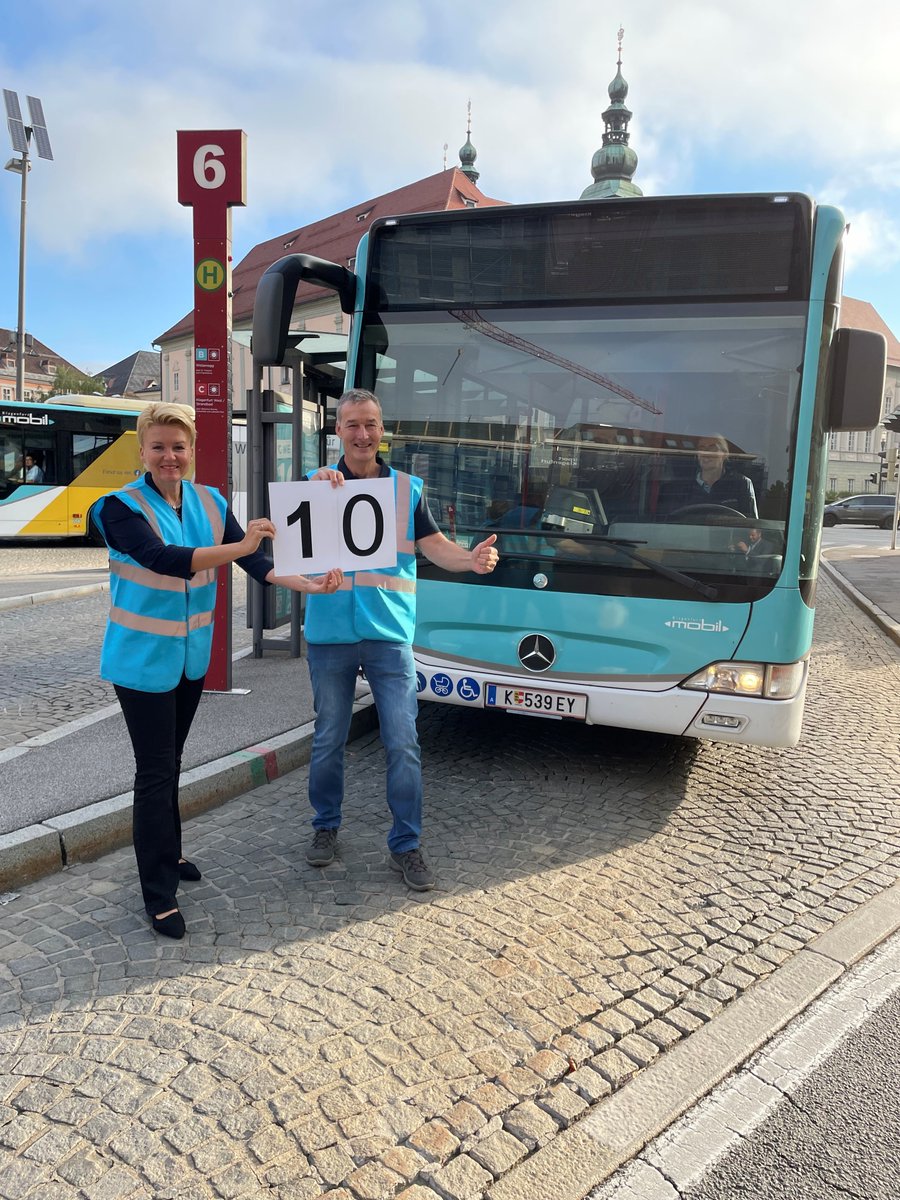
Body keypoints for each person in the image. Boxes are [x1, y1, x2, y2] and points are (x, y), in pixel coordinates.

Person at [92, 402, 342, 939]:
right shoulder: (116, 508)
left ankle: (170, 852)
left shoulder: (209, 500)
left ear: (192, 450)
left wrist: (307, 583)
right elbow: (163, 558)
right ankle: (158, 894)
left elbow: (255, 562)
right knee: (155, 772)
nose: (169, 457)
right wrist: (241, 543)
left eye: (178, 447)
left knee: (172, 763)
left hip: (188, 660)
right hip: (140, 662)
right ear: (142, 451)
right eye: (158, 447)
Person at [303, 388, 499, 892]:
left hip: (389, 635)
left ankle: (407, 844)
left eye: (370, 423)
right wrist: (312, 490)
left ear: (382, 429)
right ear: (338, 430)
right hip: (329, 634)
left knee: (404, 741)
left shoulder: (407, 490)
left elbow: (436, 546)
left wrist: (471, 560)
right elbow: (289, 551)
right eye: (352, 424)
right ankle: (325, 826)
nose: (362, 434)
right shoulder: (314, 485)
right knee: (328, 738)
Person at [661, 434, 758, 518]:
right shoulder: (680, 486)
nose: (706, 453)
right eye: (702, 448)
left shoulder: (741, 484)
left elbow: (752, 527)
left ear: (725, 454)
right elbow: (668, 523)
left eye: (712, 448)